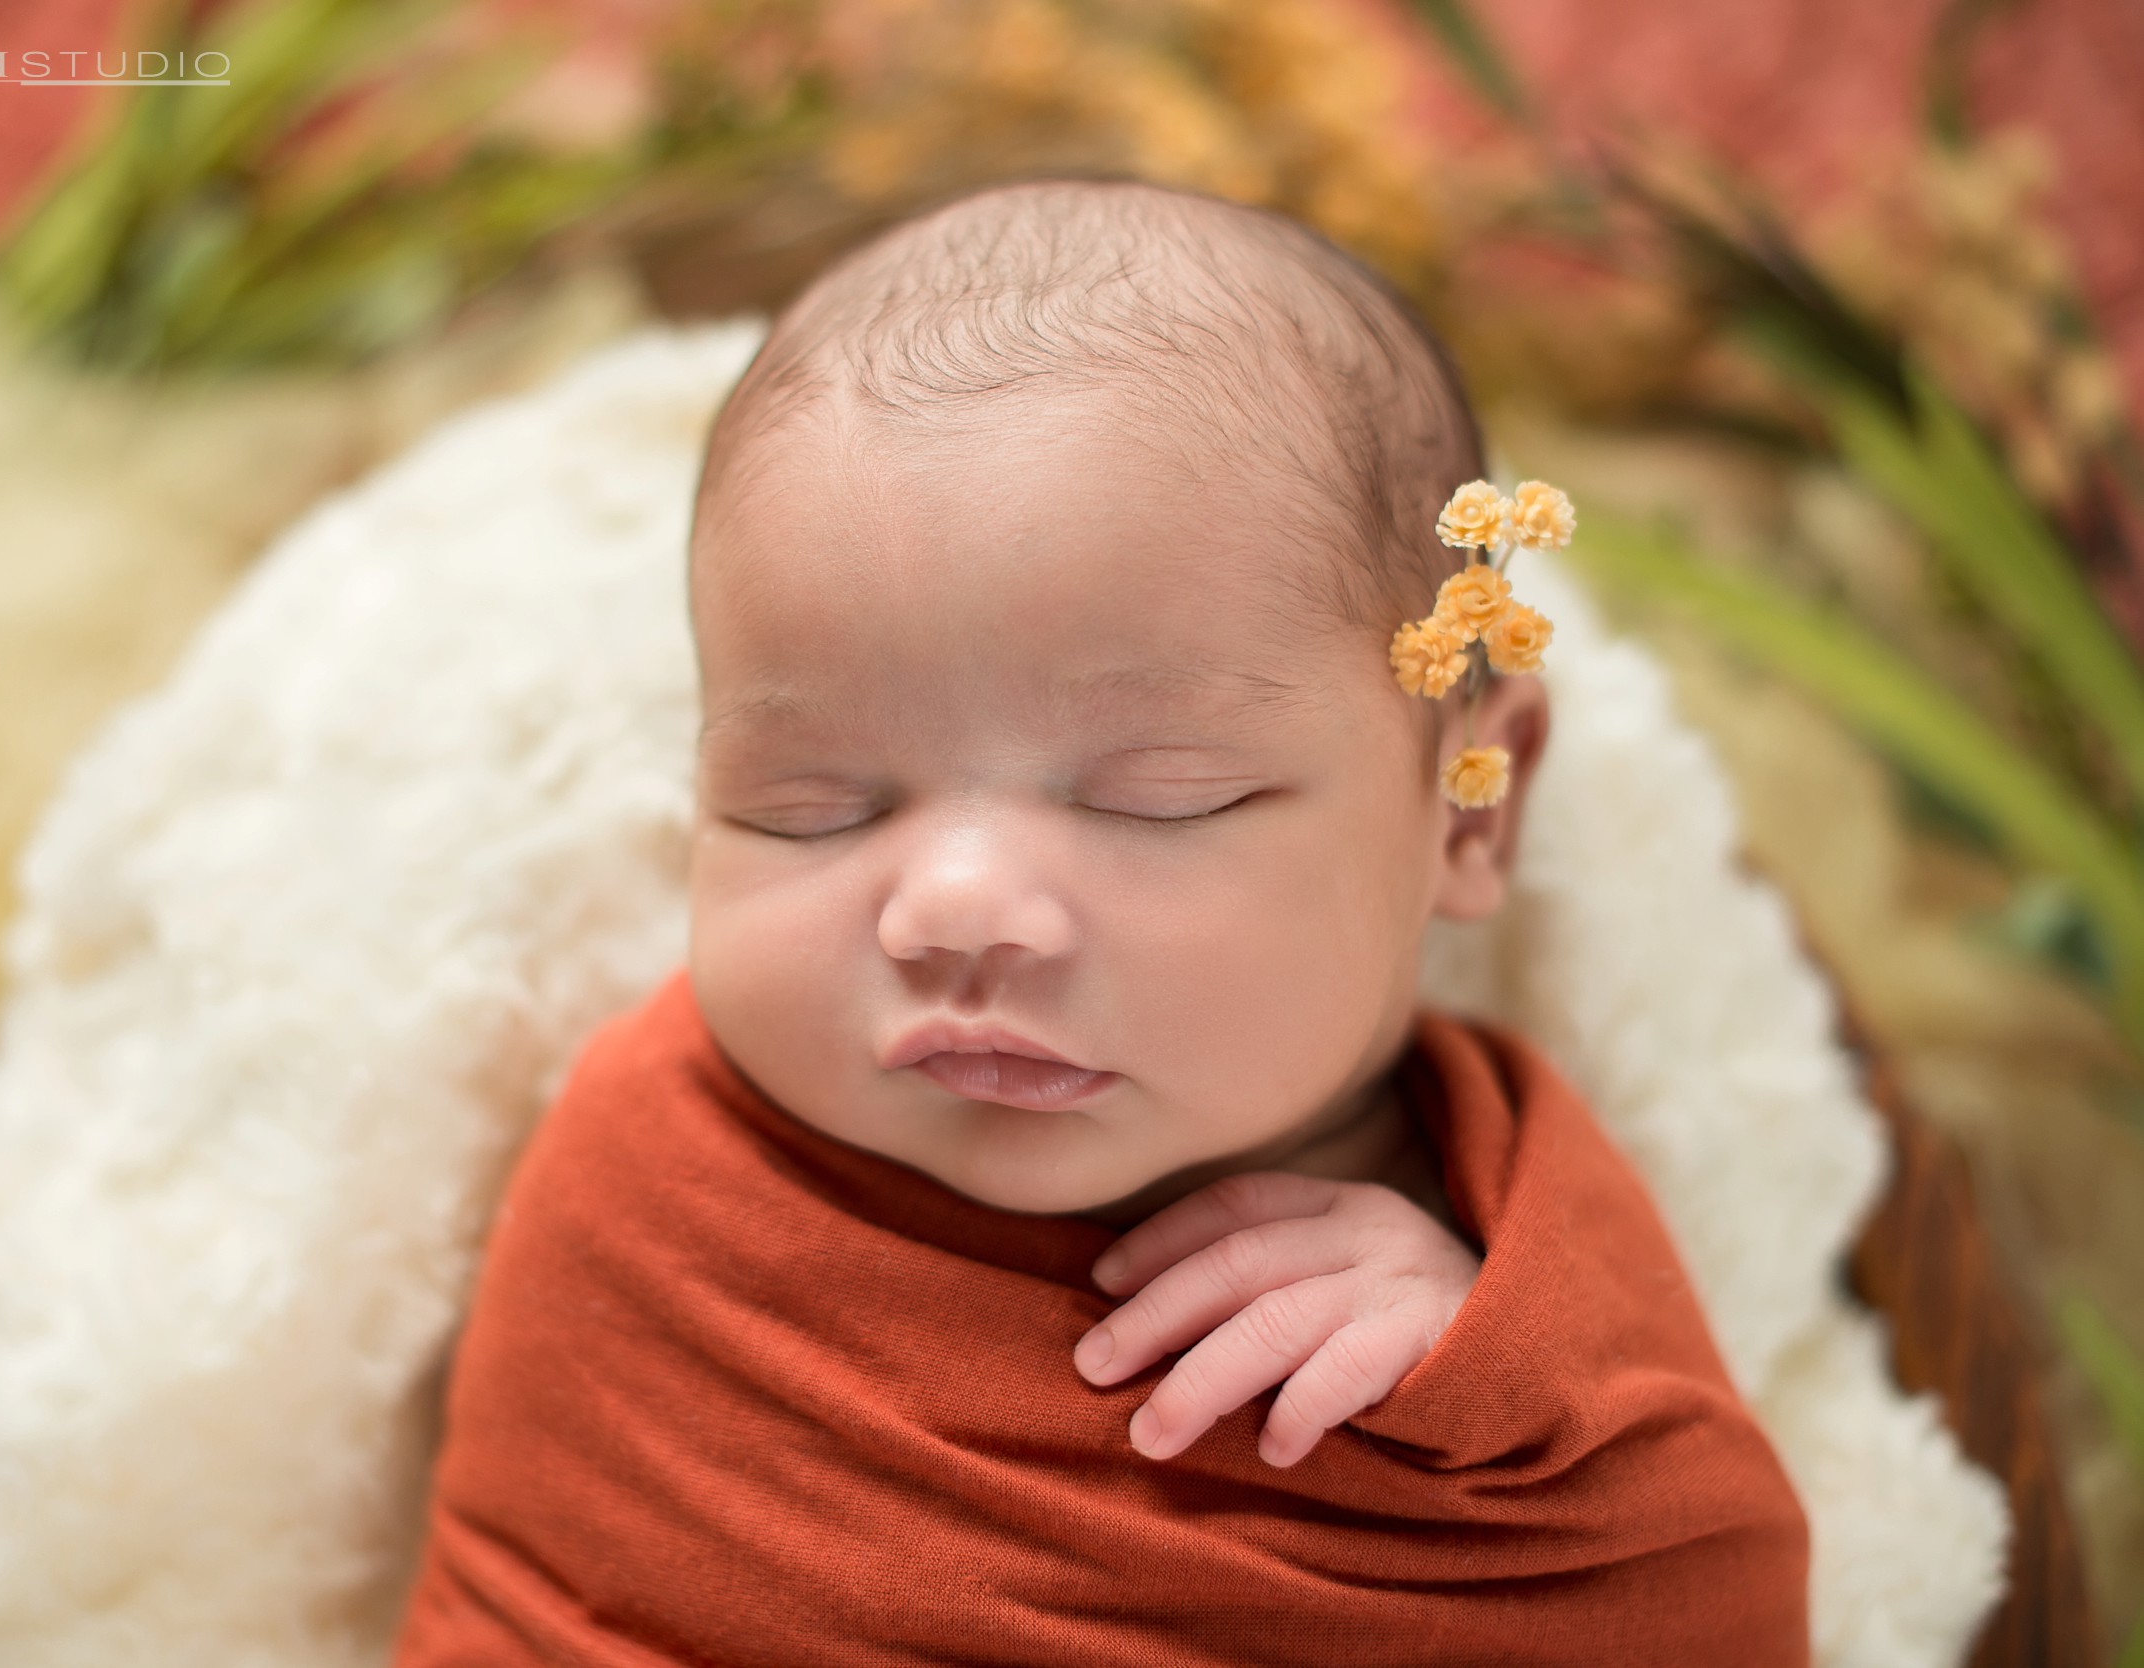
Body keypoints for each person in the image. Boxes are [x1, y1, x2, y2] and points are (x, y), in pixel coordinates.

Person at [390, 177, 1810, 1665]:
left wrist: (1478, 1354)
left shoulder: (1511, 1258)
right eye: (812, 804)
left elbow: (1685, 1580)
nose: (954, 910)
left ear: (1469, 808)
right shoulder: (655, 1185)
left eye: (1160, 797)